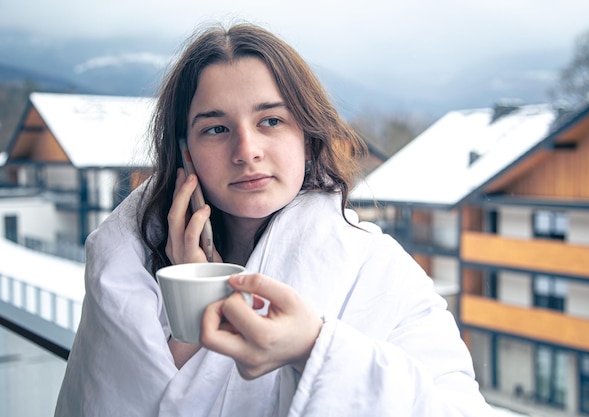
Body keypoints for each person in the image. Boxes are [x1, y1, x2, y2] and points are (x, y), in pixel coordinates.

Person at [54, 22, 495, 417]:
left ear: (307, 138)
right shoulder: (123, 267)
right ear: (186, 153)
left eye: (271, 120)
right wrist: (190, 310)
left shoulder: (381, 272)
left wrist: (313, 348)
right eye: (216, 128)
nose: (247, 150)